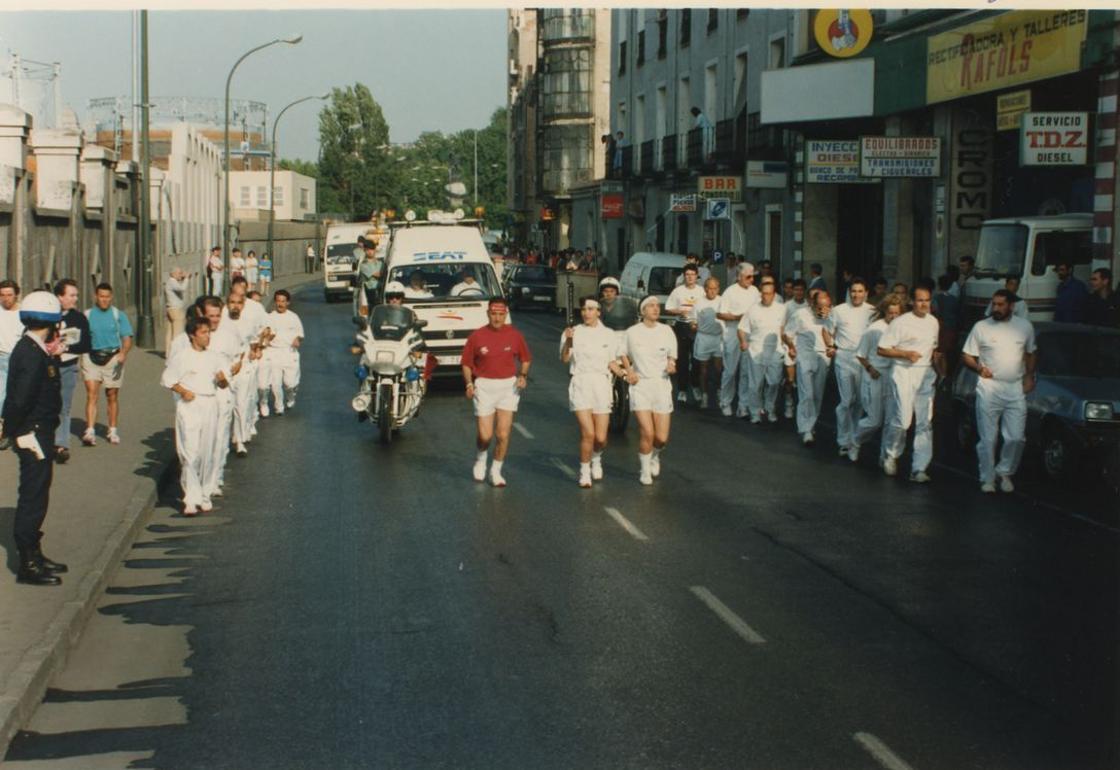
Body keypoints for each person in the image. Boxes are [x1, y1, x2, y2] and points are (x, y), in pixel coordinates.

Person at [1, 291, 67, 585]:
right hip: (33, 434)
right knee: (33, 498)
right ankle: (28, 564)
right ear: (50, 322)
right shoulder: (30, 353)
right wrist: (10, 431)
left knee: (39, 493)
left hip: (38, 431)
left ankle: (36, 554)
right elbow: (20, 399)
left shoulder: (34, 348)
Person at [960, 289, 1037, 493]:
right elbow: (967, 355)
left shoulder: (1025, 327)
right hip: (989, 387)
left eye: (1001, 305)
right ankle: (987, 478)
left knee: (1016, 437)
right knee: (988, 437)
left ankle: (1004, 471)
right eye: (994, 304)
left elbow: (1030, 353)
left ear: (1011, 306)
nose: (996, 308)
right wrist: (978, 368)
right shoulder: (981, 327)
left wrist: (1029, 376)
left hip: (1014, 387)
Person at [461, 298, 532, 487]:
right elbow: (467, 364)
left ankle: (496, 471)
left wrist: (522, 375)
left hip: (508, 387)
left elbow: (525, 359)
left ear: (505, 314)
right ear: (488, 314)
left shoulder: (515, 335)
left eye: (501, 314)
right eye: (494, 314)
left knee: (502, 434)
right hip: (483, 386)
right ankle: (481, 458)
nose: (497, 318)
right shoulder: (477, 336)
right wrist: (469, 384)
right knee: (485, 436)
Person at [162, 315, 229, 516]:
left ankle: (205, 494)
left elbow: (224, 384)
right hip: (190, 405)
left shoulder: (215, 357)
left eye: (208, 332)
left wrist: (222, 380)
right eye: (203, 333)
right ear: (192, 335)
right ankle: (190, 499)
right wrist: (183, 391)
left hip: (209, 403)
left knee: (207, 452)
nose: (207, 336)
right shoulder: (182, 356)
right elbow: (168, 380)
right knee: (191, 453)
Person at [877, 283, 944, 482]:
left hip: (925, 374)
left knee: (924, 423)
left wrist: (940, 370)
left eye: (927, 300)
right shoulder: (900, 323)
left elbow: (934, 350)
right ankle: (890, 455)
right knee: (903, 420)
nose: (924, 304)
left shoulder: (933, 322)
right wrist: (905, 354)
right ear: (912, 302)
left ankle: (919, 468)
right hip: (903, 372)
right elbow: (882, 349)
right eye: (920, 300)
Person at [561, 296, 626, 487]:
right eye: (584, 309)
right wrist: (569, 341)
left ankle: (596, 457)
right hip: (580, 383)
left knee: (600, 438)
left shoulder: (609, 334)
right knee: (588, 434)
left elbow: (612, 362)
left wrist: (624, 375)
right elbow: (565, 359)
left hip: (601, 385)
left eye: (591, 309)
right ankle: (584, 472)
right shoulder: (573, 332)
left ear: (599, 311)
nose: (586, 312)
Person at [626, 296, 678, 485]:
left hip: (661, 385)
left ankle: (655, 455)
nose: (656, 309)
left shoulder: (667, 331)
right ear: (642, 311)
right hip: (641, 386)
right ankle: (645, 469)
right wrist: (629, 371)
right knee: (647, 432)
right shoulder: (632, 332)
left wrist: (671, 365)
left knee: (661, 438)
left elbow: (672, 357)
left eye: (657, 306)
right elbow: (622, 353)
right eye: (651, 306)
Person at [850, 293, 904, 464]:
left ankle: (884, 456)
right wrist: (870, 368)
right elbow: (860, 354)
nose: (894, 316)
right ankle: (855, 442)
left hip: (893, 375)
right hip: (875, 375)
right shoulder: (874, 329)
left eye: (897, 313)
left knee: (890, 419)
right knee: (874, 420)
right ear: (884, 312)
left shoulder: (902, 329)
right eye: (890, 313)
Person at [81, 283, 133, 446]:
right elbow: (80, 338)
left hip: (112, 358)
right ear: (96, 297)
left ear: (111, 297)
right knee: (92, 393)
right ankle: (90, 430)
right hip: (91, 357)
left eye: (107, 297)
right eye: (101, 296)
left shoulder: (118, 315)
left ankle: (112, 430)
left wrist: (123, 353)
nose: (104, 300)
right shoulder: (87, 315)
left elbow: (127, 337)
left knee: (112, 395)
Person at [830, 277, 876, 456]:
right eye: (853, 291)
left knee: (860, 402)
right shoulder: (838, 310)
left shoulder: (872, 311)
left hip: (864, 360)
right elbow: (828, 331)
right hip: (844, 358)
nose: (856, 294)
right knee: (847, 401)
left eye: (860, 291)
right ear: (849, 292)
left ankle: (854, 439)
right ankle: (843, 440)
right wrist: (830, 346)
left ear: (866, 293)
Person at [783, 289, 835, 445]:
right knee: (808, 394)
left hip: (823, 357)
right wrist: (791, 347)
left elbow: (836, 334)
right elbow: (787, 334)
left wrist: (832, 347)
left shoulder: (832, 315)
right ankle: (806, 429)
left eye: (827, 307)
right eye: (820, 307)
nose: (823, 310)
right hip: (805, 356)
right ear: (812, 303)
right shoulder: (800, 314)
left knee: (818, 395)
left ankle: (810, 425)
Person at [738, 278, 786, 423]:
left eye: (770, 294)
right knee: (755, 384)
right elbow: (741, 328)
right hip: (756, 351)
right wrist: (743, 341)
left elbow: (786, 329)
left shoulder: (782, 309)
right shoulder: (753, 310)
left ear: (774, 294)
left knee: (774, 382)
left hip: (776, 352)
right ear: (760, 294)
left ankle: (770, 408)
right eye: (764, 294)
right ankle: (755, 412)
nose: (767, 296)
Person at [52, 279, 90, 464]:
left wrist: (66, 349)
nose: (75, 299)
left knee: (63, 407)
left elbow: (86, 344)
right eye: (71, 295)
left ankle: (61, 444)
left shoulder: (78, 318)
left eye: (76, 295)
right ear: (60, 297)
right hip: (47, 368)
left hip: (68, 367)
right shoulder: (48, 316)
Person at [716, 263, 760, 416]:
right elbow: (720, 314)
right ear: (739, 277)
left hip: (750, 333)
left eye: (753, 276)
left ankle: (743, 405)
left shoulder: (755, 291)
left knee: (746, 371)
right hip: (733, 331)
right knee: (730, 370)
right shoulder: (730, 291)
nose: (751, 279)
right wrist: (737, 317)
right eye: (748, 277)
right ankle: (725, 401)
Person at [664, 264, 705, 403]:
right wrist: (679, 311)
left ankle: (695, 386)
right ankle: (682, 390)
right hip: (682, 326)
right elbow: (668, 308)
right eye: (687, 275)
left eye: (692, 274)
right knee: (682, 360)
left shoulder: (702, 291)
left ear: (697, 276)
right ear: (684, 276)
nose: (690, 277)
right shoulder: (678, 291)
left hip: (697, 327)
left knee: (697, 360)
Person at [261, 289, 303, 417]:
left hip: (289, 352)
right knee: (276, 383)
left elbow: (300, 335)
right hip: (274, 352)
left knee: (290, 384)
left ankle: (291, 396)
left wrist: (297, 339)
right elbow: (266, 334)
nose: (280, 304)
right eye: (278, 301)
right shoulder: (269, 317)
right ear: (275, 302)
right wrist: (266, 340)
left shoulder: (293, 317)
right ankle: (279, 407)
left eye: (283, 301)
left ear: (288, 302)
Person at [692, 276, 724, 409]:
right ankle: (704, 395)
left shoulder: (723, 301)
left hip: (718, 338)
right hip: (703, 338)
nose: (712, 291)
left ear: (718, 289)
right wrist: (694, 327)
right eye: (709, 288)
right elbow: (693, 321)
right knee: (703, 369)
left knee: (718, 369)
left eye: (715, 289)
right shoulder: (698, 302)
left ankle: (719, 392)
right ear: (705, 289)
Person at [781, 279, 808, 419]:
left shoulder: (809, 305)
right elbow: (782, 327)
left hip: (804, 346)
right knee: (790, 378)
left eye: (801, 290)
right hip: (789, 344)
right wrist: (786, 345)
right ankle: (788, 403)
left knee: (803, 379)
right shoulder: (787, 306)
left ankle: (803, 407)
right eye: (795, 290)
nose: (798, 292)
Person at [0, 279, 21, 449]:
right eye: (2, 295)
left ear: (16, 295)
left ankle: (20, 433)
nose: (6, 298)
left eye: (9, 295)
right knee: (1, 397)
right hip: (2, 358)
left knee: (21, 397)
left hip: (20, 359)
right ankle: (3, 433)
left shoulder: (23, 313)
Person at [164, 266, 191, 354]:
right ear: (173, 274)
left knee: (170, 332)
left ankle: (168, 352)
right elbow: (182, 288)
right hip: (176, 310)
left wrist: (182, 279)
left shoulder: (171, 282)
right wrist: (186, 279)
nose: (181, 275)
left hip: (171, 308)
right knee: (177, 333)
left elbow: (179, 286)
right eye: (179, 273)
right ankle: (175, 352)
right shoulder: (172, 282)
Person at [358, 238, 385, 307]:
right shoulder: (363, 265)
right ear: (364, 251)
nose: (370, 252)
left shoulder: (381, 263)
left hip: (382, 292)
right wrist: (383, 273)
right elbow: (378, 275)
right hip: (370, 293)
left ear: (375, 250)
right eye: (367, 250)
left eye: (371, 249)